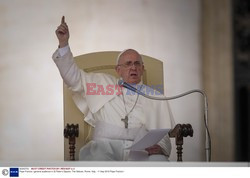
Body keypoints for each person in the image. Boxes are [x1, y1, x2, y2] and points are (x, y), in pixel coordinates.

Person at [53, 16, 175, 161]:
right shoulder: (101, 83)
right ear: (118, 70)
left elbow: (163, 134)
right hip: (105, 147)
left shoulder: (155, 96)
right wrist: (64, 43)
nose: (133, 67)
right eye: (128, 64)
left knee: (159, 161)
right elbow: (72, 77)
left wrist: (160, 148)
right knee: (98, 161)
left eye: (137, 64)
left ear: (142, 69)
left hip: (141, 150)